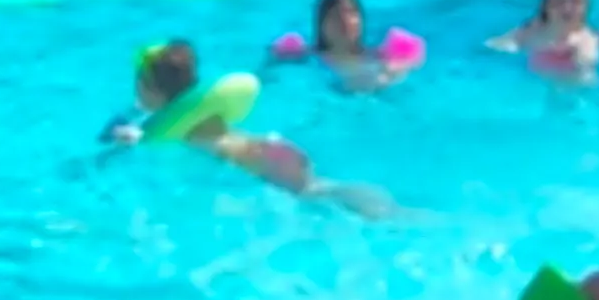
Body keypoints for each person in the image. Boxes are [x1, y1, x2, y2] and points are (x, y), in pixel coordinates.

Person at [105, 41, 390, 216]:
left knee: (316, 194)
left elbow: (145, 138)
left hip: (257, 159)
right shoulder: (204, 116)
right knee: (325, 189)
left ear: (149, 90)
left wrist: (126, 137)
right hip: (265, 148)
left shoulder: (164, 131)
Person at [274, 0, 424, 91]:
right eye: (335, 16)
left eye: (351, 13)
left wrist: (390, 74)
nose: (345, 21)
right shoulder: (304, 57)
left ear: (361, 20)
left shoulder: (380, 57)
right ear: (321, 24)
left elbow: (406, 69)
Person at [488, 0, 599, 76]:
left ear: (586, 7)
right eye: (559, 2)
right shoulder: (531, 31)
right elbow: (496, 46)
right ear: (546, 5)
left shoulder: (585, 40)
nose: (567, 8)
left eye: (576, 2)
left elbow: (587, 64)